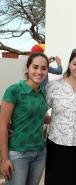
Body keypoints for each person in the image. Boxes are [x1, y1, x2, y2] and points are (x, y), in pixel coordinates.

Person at [44, 48, 76, 185]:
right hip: (56, 144)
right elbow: (40, 109)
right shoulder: (54, 85)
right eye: (75, 63)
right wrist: (49, 120)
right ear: (69, 64)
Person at [0, 53, 49, 185]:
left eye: (43, 68)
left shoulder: (42, 93)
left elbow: (38, 116)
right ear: (28, 68)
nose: (39, 72)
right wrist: (4, 159)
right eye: (35, 67)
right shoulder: (14, 90)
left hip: (40, 152)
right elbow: (3, 125)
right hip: (18, 153)